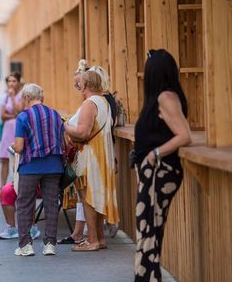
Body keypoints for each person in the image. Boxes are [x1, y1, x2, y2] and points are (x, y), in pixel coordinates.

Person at [133, 49, 191, 281]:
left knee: (149, 234)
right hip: (153, 174)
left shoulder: (166, 97)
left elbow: (184, 135)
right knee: (147, 234)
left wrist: (155, 153)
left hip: (160, 172)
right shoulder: (161, 96)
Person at [64, 69, 119, 252]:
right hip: (102, 154)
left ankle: (92, 240)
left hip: (89, 156)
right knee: (97, 197)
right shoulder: (104, 102)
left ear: (86, 85)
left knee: (88, 198)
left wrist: (65, 126)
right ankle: (100, 239)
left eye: (80, 83)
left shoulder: (89, 103)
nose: (79, 86)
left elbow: (82, 132)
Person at [11, 83, 64, 256]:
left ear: (26, 98)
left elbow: (18, 147)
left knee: (25, 204)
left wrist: (13, 145)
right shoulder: (55, 114)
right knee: (51, 204)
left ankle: (26, 245)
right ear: (41, 98)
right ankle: (50, 244)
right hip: (54, 165)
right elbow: (63, 141)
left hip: (30, 166)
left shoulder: (23, 117)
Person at [0, 72, 23, 189]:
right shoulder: (5, 96)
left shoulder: (22, 95)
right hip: (7, 130)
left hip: (17, 130)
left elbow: (19, 112)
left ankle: (16, 185)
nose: (11, 84)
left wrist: (13, 97)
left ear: (18, 82)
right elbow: (2, 115)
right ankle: (1, 187)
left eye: (14, 81)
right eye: (9, 81)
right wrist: (13, 115)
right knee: (4, 159)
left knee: (16, 158)